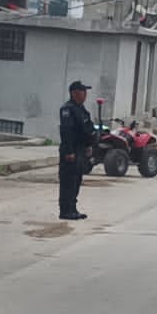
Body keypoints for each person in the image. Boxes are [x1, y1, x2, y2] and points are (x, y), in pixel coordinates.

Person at [58, 80, 97, 221]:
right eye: (83, 92)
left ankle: (73, 209)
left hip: (80, 149)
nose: (85, 95)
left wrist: (88, 145)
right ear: (74, 93)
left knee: (76, 180)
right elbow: (66, 131)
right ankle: (65, 210)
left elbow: (87, 129)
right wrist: (69, 152)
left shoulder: (81, 109)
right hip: (71, 150)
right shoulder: (67, 109)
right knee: (68, 181)